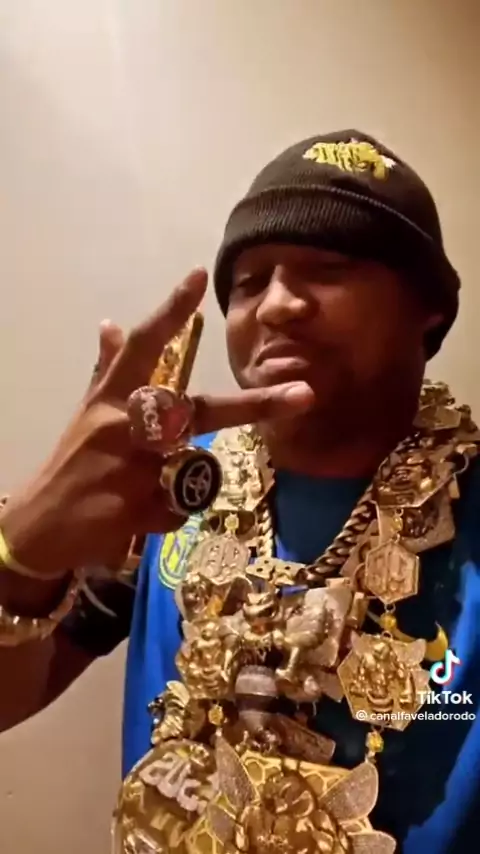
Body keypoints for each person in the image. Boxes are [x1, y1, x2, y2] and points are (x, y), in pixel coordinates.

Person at [0, 129, 477, 854]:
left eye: (330, 267)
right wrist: (21, 555)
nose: (277, 304)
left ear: (429, 308)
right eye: (250, 283)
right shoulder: (162, 490)